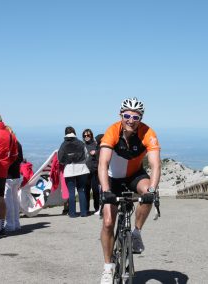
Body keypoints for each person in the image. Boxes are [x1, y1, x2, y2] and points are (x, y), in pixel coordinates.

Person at [98, 97, 161, 284]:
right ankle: (108, 268)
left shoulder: (148, 133)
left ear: (140, 118)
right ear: (121, 115)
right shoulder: (112, 131)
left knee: (148, 195)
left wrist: (152, 190)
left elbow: (155, 165)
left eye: (136, 116)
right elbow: (103, 163)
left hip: (135, 175)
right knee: (109, 222)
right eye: (127, 115)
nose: (131, 120)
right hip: (112, 178)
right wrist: (106, 191)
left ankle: (136, 233)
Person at [0, 112, 18, 237]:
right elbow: (14, 155)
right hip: (3, 171)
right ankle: (1, 225)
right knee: (1, 198)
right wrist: (5, 164)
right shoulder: (10, 135)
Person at [58, 126, 90, 218]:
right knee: (81, 190)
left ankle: (72, 213)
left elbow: (60, 158)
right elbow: (86, 155)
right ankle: (83, 212)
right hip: (82, 169)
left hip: (69, 170)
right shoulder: (80, 143)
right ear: (74, 133)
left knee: (71, 192)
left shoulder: (63, 145)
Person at [4, 126, 24, 232]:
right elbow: (20, 159)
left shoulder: (7, 144)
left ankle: (10, 224)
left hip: (8, 176)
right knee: (15, 200)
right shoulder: (18, 144)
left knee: (8, 201)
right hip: (16, 175)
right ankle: (16, 223)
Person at [82, 128, 100, 215]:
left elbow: (101, 152)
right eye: (85, 135)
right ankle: (86, 210)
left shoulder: (96, 144)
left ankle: (97, 208)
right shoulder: (82, 145)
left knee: (96, 191)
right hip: (85, 171)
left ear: (91, 135)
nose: (86, 137)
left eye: (88, 135)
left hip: (95, 170)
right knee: (86, 191)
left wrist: (96, 152)